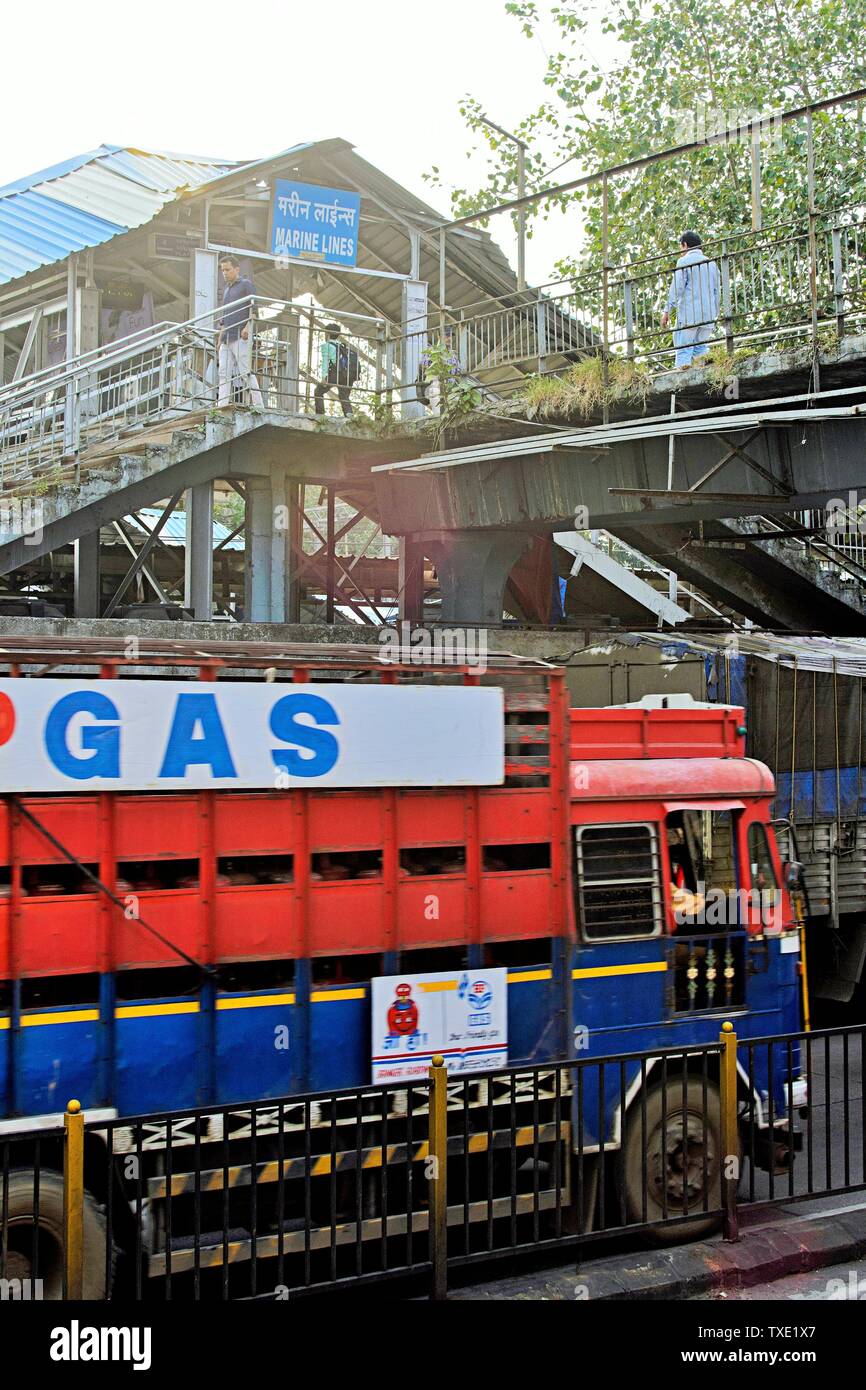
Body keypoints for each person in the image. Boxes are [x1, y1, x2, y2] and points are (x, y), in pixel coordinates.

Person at [661, 231, 719, 370]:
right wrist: (715, 312)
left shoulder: (684, 261)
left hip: (689, 314)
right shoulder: (711, 263)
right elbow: (716, 291)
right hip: (708, 315)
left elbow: (677, 288)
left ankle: (681, 382)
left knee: (684, 349)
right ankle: (708, 376)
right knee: (700, 349)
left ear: (685, 245)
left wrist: (667, 310)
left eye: (681, 247)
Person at [216, 254, 264, 409]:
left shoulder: (245, 285)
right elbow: (224, 316)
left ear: (236, 269)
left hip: (239, 335)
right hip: (226, 337)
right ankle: (221, 406)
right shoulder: (226, 289)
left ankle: (258, 405)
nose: (224, 273)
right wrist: (219, 339)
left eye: (227, 269)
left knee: (245, 372)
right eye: (222, 270)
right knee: (223, 373)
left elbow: (254, 308)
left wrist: (248, 327)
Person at [314, 323, 360, 417]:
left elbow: (325, 363)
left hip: (336, 373)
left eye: (325, 333)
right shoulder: (342, 346)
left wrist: (324, 377)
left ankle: (320, 415)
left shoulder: (326, 346)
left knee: (318, 391)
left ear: (328, 334)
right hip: (347, 375)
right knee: (344, 395)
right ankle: (349, 414)